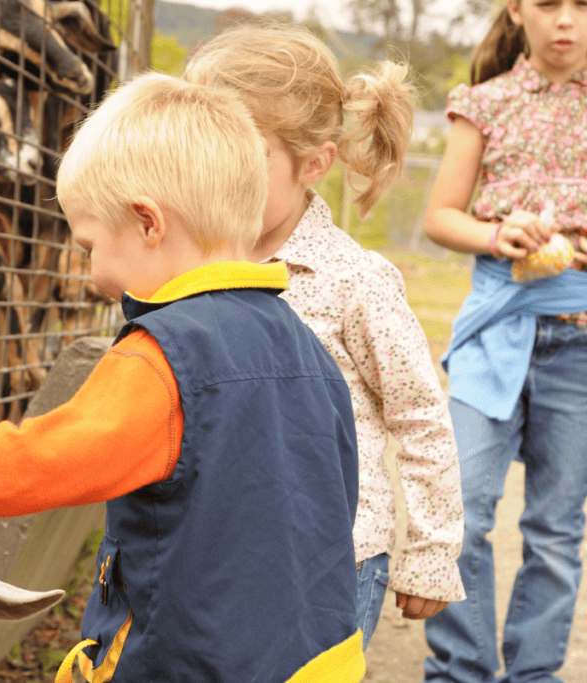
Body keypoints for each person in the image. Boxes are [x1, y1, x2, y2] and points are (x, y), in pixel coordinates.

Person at [0, 72, 366, 682]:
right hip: (316, 659)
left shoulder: (163, 357)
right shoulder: (308, 349)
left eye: (89, 244)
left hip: (190, 665)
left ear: (148, 223)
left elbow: (42, 463)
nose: (91, 273)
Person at [183, 23, 466, 652]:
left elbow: (420, 417)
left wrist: (431, 551)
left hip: (332, 561)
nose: (214, 174)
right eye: (201, 148)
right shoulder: (186, 267)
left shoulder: (353, 281)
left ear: (314, 164)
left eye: (244, 155)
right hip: (220, 555)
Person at [417, 0, 587, 680]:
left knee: (555, 531)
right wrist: (496, 234)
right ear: (516, 10)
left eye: (582, 5)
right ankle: (460, 667)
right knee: (459, 511)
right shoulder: (482, 104)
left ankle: (534, 673)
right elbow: (440, 216)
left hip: (579, 344)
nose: (566, 20)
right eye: (548, 4)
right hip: (496, 333)